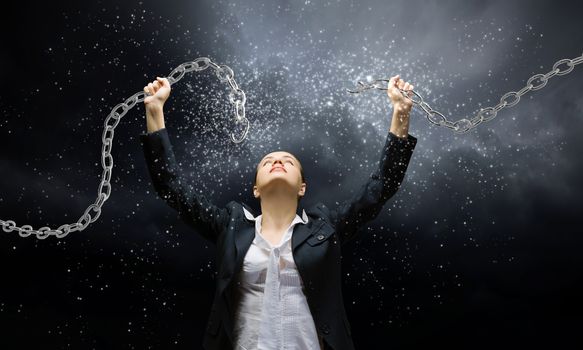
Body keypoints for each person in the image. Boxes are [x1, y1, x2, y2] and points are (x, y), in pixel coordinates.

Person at [139, 74, 417, 350]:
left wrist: (401, 113)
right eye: (268, 161)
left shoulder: (325, 228)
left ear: (302, 188)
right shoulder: (230, 226)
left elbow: (379, 189)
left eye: (288, 161)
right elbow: (172, 188)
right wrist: (154, 110)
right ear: (256, 189)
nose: (277, 162)